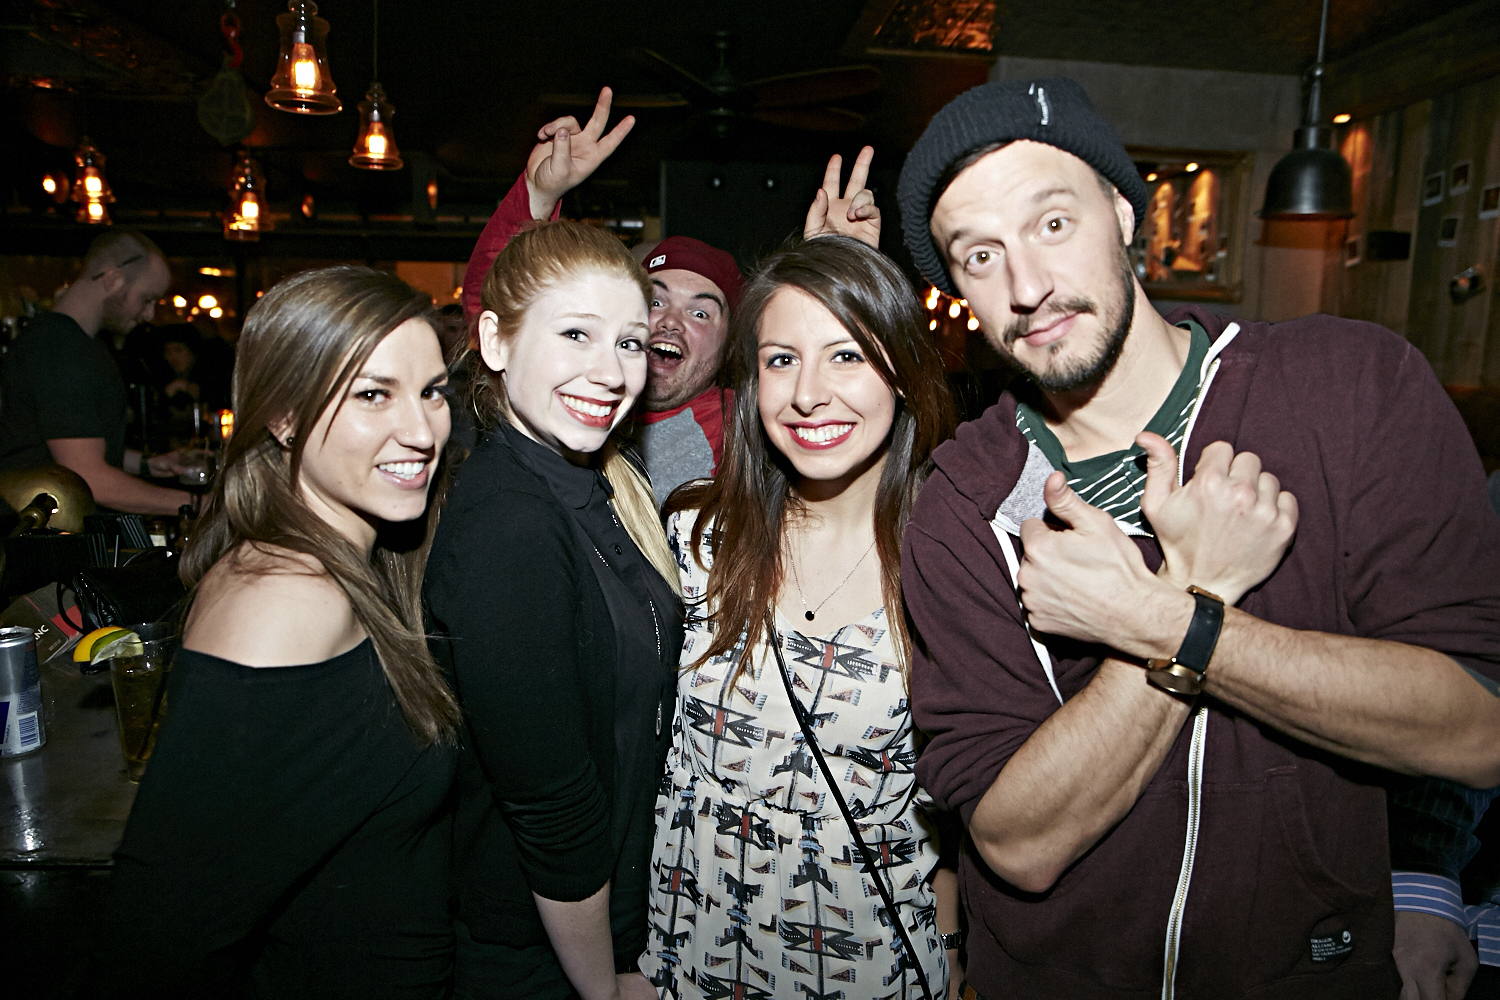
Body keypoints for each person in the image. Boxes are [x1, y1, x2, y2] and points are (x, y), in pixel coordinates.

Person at [894, 77, 1500, 998]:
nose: (1027, 286)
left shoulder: (1348, 389)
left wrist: (1165, 619)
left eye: (1052, 224)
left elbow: (1480, 725)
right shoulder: (963, 501)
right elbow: (1018, 844)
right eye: (980, 256)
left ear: (1124, 214)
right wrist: (1199, 582)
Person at [89, 266, 460, 997]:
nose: (421, 431)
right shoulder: (286, 602)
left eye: (432, 391)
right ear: (284, 416)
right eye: (372, 394)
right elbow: (156, 935)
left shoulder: (352, 557)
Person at [642, 231, 959, 1000]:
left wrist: (951, 953)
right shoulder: (693, 537)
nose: (808, 393)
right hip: (690, 955)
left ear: (904, 373)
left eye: (846, 354)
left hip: (872, 966)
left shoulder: (953, 568)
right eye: (783, 359)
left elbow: (966, 813)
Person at [425, 219, 683, 1000]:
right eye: (576, 334)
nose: (609, 372)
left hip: (605, 925)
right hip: (539, 955)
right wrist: (602, 985)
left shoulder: (596, 486)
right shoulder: (511, 519)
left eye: (630, 344)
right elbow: (551, 806)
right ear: (496, 343)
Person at [460, 88, 881, 505]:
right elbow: (503, 314)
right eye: (656, 302)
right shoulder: (582, 397)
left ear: (730, 344)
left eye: (700, 312)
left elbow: (843, 391)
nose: (671, 321)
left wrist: (836, 271)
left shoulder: (747, 428)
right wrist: (538, 195)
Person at [0, 229, 193, 514]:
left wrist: (145, 464)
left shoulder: (61, 339)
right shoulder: (62, 350)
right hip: (42, 542)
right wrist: (205, 505)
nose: (149, 314)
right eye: (147, 298)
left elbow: (61, 445)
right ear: (112, 279)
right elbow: (90, 479)